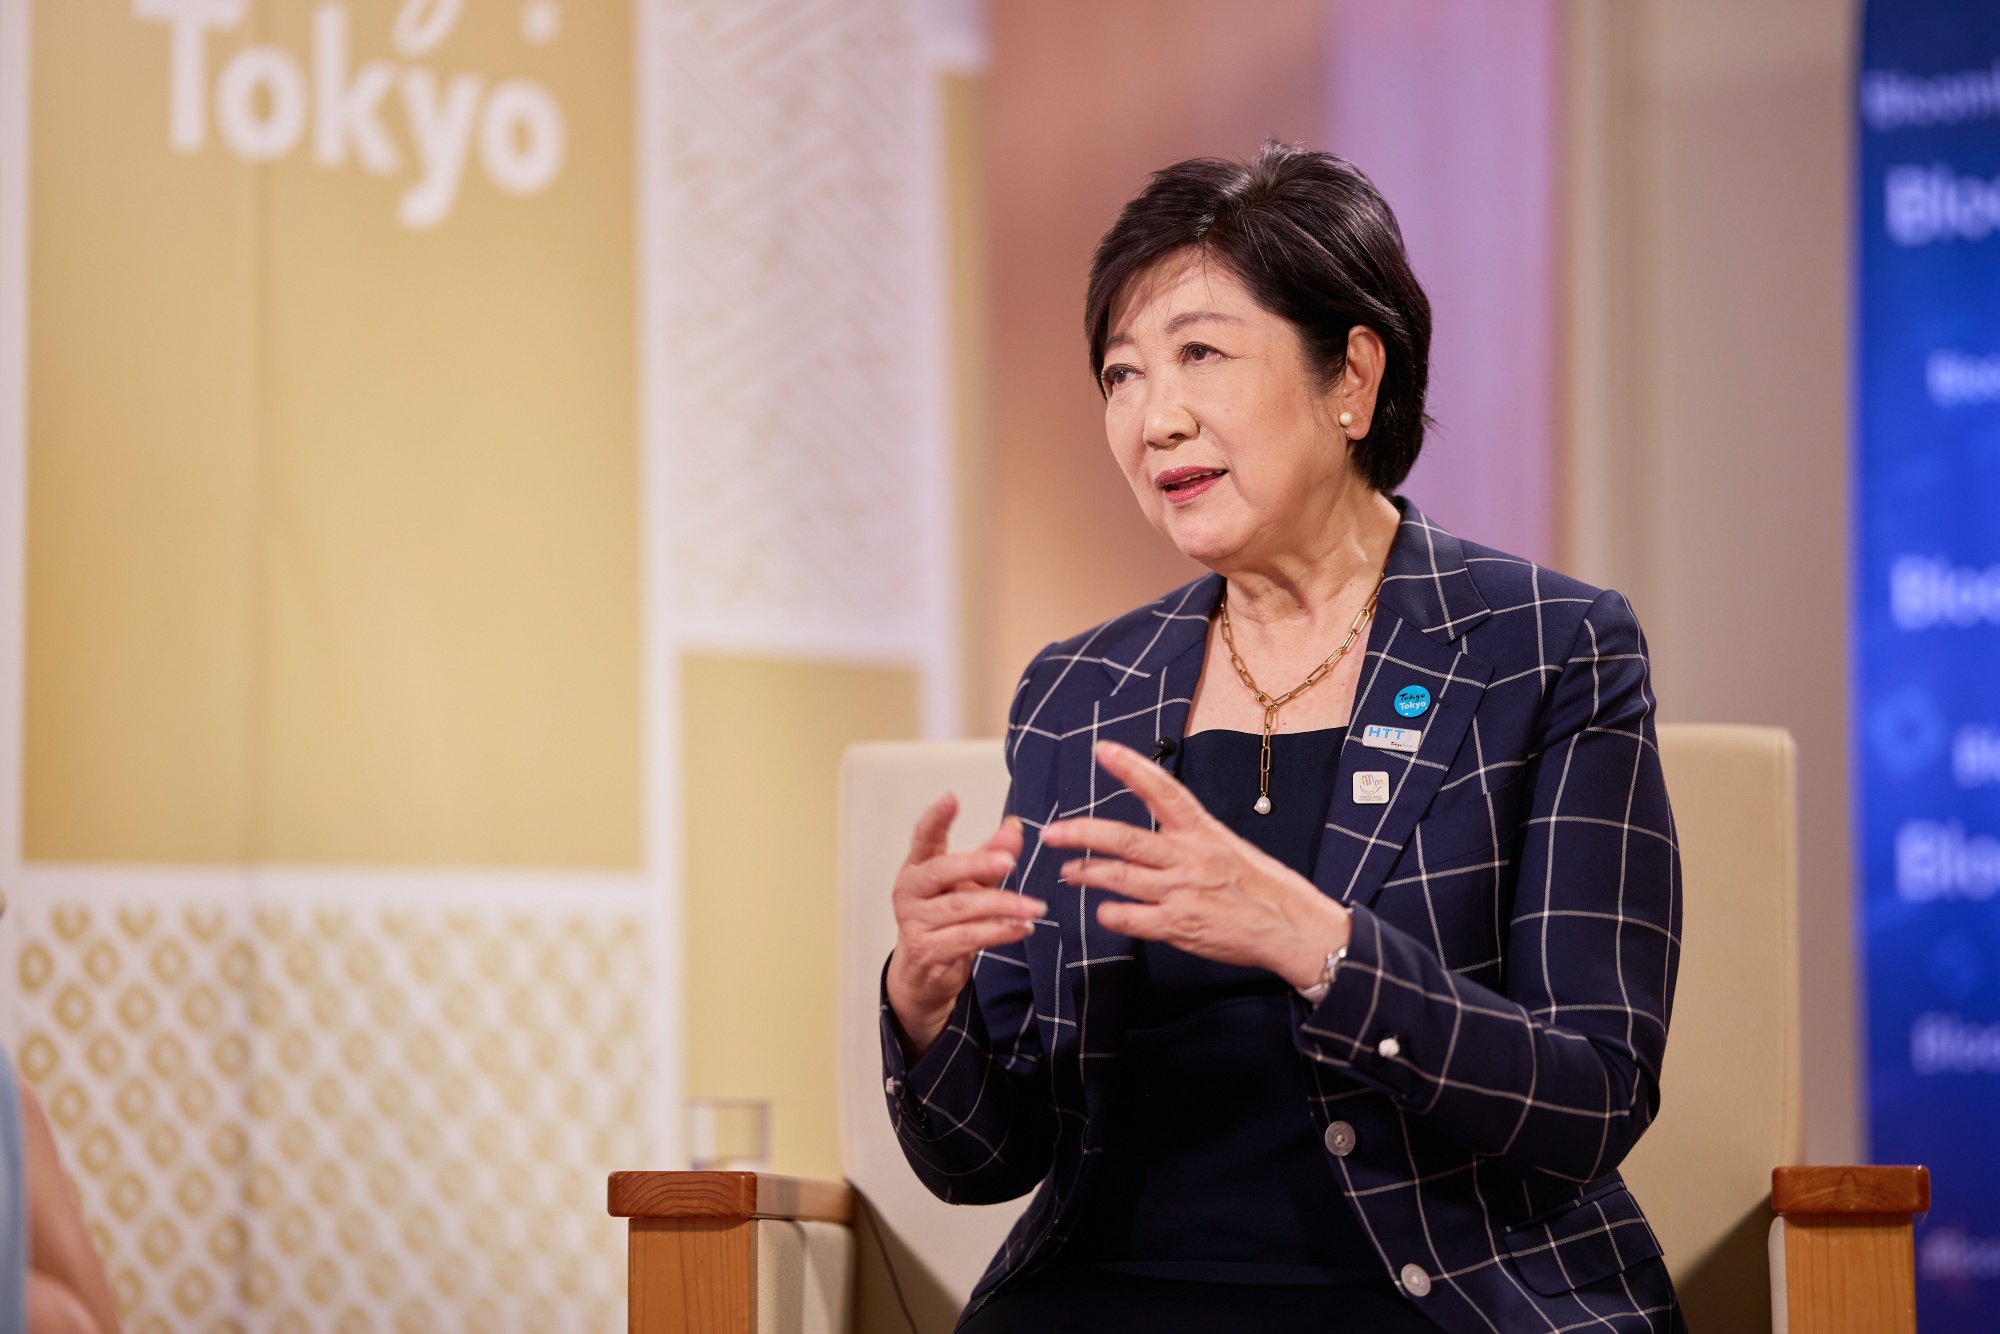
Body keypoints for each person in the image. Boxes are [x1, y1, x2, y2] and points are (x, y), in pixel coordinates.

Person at [880, 143, 1683, 1334]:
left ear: (1350, 374)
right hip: (1106, 1291)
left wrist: (1316, 945)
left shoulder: (1545, 649)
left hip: (1434, 1293)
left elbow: (1590, 1096)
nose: (1155, 418)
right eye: (1120, 373)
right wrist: (925, 1000)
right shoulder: (1078, 689)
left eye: (1199, 353)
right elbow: (987, 1157)